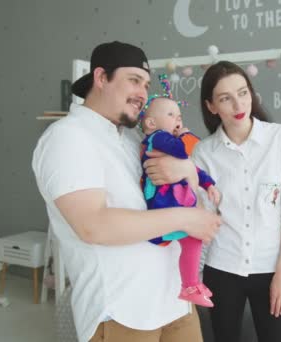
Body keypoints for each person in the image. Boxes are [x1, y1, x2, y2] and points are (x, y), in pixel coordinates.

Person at [31, 41, 220, 342]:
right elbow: (93, 225)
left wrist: (186, 171)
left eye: (145, 84)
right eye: (133, 80)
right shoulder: (68, 138)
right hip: (122, 311)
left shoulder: (134, 140)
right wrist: (185, 218)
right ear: (101, 77)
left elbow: (173, 190)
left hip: (174, 301)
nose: (143, 93)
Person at [193, 61, 281, 342]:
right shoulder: (203, 153)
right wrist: (193, 277)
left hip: (273, 267)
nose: (238, 104)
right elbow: (203, 221)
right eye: (225, 98)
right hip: (222, 268)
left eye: (243, 93)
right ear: (211, 106)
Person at [138, 74, 220, 307]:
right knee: (194, 239)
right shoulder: (157, 138)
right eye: (171, 115)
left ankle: (190, 284)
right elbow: (184, 153)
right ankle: (190, 285)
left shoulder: (168, 141)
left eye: (179, 115)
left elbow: (191, 167)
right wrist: (184, 136)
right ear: (151, 123)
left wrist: (209, 183)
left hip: (176, 204)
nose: (178, 120)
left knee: (194, 242)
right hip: (164, 205)